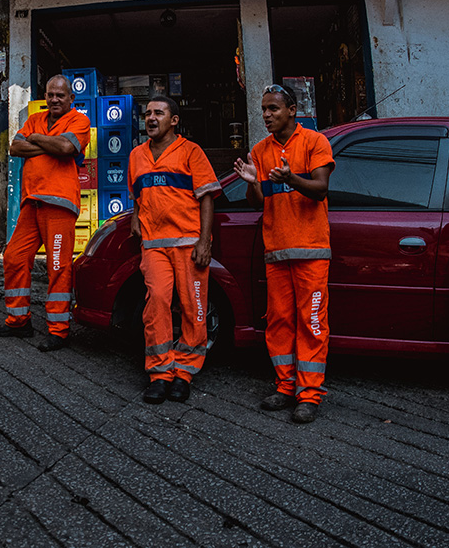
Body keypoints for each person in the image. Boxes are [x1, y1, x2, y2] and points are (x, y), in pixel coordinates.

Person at [233, 84, 334, 424]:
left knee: (312, 323)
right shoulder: (260, 150)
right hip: (276, 251)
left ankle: (309, 396)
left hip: (311, 250)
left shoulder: (315, 142)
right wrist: (251, 182)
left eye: (273, 108)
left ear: (292, 110)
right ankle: (284, 387)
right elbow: (258, 201)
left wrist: (291, 178)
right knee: (278, 322)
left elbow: (320, 190)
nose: (266, 115)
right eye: (264, 109)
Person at [128, 96, 221, 404]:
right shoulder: (135, 156)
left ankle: (184, 372)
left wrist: (205, 241)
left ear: (174, 120)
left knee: (194, 309)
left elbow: (207, 198)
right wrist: (135, 219)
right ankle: (160, 373)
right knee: (156, 303)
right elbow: (138, 196)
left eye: (158, 113)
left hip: (188, 244)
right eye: (148, 113)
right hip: (154, 245)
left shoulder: (191, 152)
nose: (151, 118)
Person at [0, 74, 91, 352]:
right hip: (31, 202)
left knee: (58, 267)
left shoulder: (79, 121)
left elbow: (66, 147)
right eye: (50, 95)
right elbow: (14, 147)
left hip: (60, 204)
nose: (55, 99)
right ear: (45, 96)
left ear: (71, 98)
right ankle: (18, 320)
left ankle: (59, 330)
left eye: (61, 95)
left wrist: (36, 140)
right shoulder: (36, 119)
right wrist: (48, 142)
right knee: (13, 257)